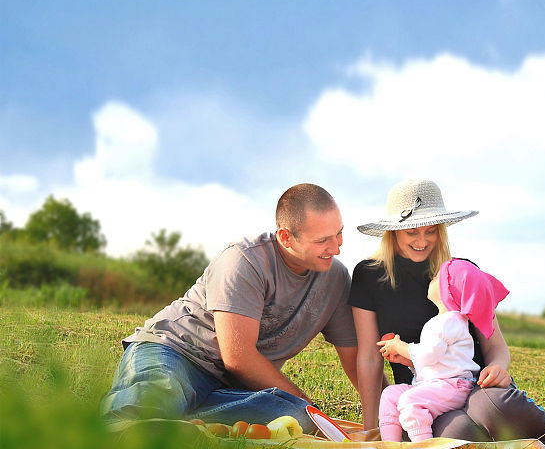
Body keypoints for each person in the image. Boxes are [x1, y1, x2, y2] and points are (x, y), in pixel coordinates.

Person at [101, 184, 358, 431]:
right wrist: (311, 405)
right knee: (155, 397)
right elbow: (239, 358)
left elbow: (357, 360)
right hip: (176, 353)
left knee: (300, 417)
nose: (336, 247)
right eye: (322, 240)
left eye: (339, 233)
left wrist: (380, 415)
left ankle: (178, 422)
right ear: (286, 237)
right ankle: (131, 426)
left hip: (232, 388)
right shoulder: (244, 260)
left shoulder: (335, 279)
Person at [350, 179, 545, 449]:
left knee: (489, 406)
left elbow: (495, 346)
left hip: (474, 386)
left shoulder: (461, 272)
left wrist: (498, 367)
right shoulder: (368, 276)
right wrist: (370, 429)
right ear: (394, 231)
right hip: (424, 396)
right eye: (412, 232)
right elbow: (369, 357)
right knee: (456, 432)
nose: (422, 241)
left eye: (431, 231)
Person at [377, 259, 508, 442]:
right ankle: (390, 445)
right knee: (390, 394)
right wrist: (408, 360)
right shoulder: (444, 321)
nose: (432, 277)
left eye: (437, 276)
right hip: (439, 384)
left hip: (452, 386)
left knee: (410, 401)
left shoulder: (450, 321)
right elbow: (439, 362)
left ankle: (423, 448)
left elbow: (429, 354)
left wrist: (400, 346)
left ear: (449, 289)